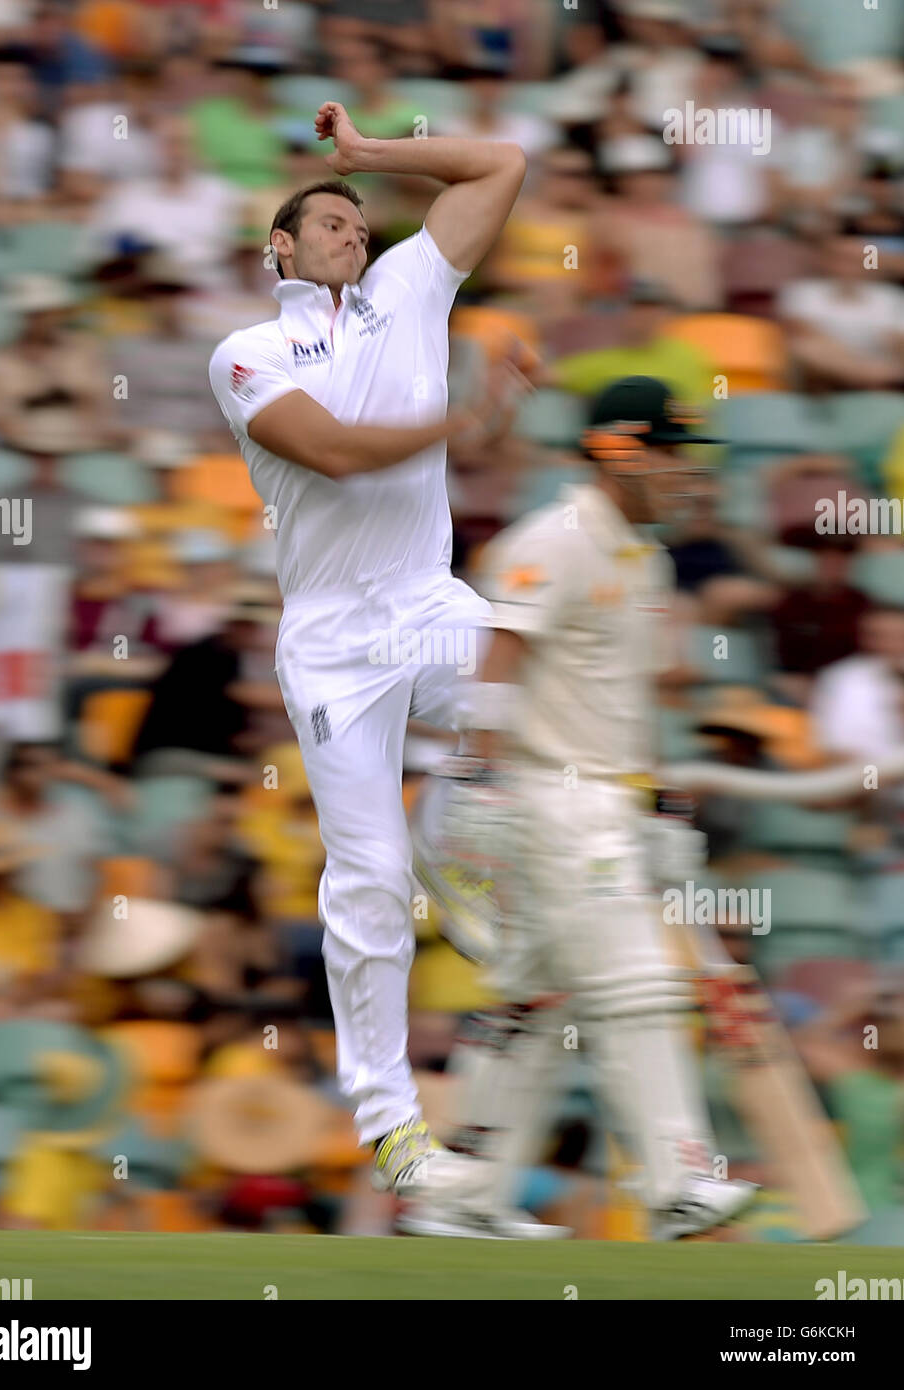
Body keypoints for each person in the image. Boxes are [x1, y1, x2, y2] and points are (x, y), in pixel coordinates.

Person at [208, 100, 527, 1197]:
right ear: (279, 249)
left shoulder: (407, 286)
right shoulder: (245, 352)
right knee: (369, 879)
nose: (351, 229)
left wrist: (370, 154)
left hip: (422, 602)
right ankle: (394, 1130)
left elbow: (499, 161)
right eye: (326, 219)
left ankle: (458, 823)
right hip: (334, 645)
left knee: (531, 674)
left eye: (359, 218)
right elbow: (336, 455)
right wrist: (463, 425)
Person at [408, 376, 758, 1237]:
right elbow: (497, 660)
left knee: (535, 999)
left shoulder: (648, 558)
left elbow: (621, 704)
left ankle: (464, 1198)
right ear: (617, 452)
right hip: (546, 801)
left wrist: (658, 809)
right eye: (669, 454)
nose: (684, 474)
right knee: (634, 981)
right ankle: (675, 1180)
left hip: (603, 803)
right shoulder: (552, 541)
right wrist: (482, 783)